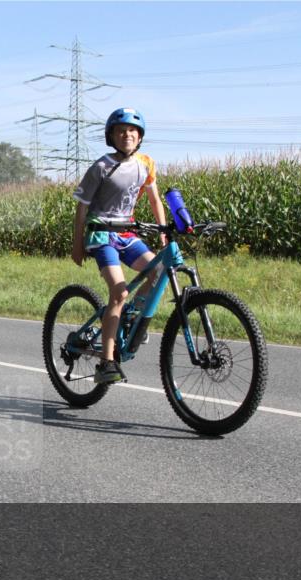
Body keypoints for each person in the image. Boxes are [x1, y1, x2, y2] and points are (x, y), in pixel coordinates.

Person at [71, 107, 168, 384]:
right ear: (111, 136)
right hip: (101, 235)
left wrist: (162, 231)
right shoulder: (101, 167)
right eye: (121, 131)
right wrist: (77, 245)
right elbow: (81, 209)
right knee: (119, 292)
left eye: (133, 131)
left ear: (140, 137)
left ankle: (132, 318)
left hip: (126, 233)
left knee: (158, 270)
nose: (127, 135)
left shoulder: (146, 164)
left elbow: (154, 199)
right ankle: (106, 363)